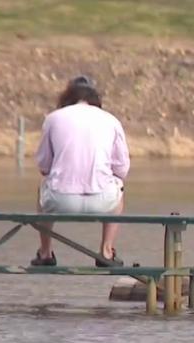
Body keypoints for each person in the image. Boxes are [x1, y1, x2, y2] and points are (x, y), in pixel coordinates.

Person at [31, 75, 129, 267]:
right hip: (103, 202)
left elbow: (43, 166)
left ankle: (45, 253)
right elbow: (122, 169)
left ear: (66, 97)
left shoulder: (53, 119)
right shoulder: (111, 120)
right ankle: (106, 252)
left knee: (43, 189)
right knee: (119, 190)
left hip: (60, 200)